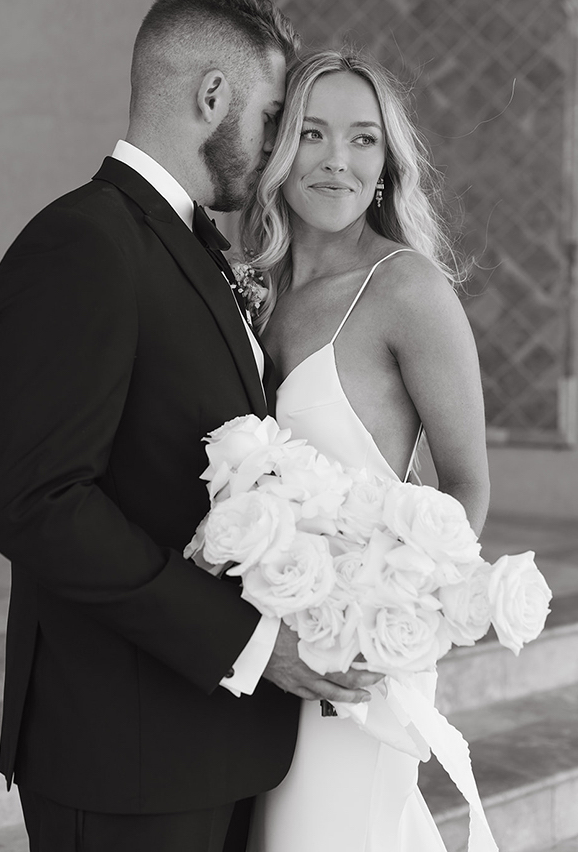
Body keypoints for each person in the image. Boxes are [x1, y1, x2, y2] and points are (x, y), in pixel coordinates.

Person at [0, 0, 379, 852]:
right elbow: (39, 503)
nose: (280, 149)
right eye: (274, 116)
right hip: (121, 761)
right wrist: (250, 643)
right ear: (211, 97)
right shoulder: (82, 244)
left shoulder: (194, 246)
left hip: (209, 749)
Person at [240, 50, 491, 851]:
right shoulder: (251, 290)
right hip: (254, 657)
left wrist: (390, 621)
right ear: (279, 149)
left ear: (387, 163)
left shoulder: (407, 290)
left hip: (352, 669)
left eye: (362, 140)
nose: (336, 161)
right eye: (311, 134)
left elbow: (466, 486)